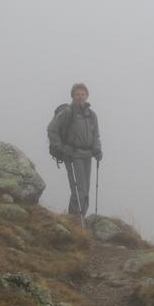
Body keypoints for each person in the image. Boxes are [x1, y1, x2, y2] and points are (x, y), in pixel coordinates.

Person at [47, 83, 102, 217]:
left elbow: (96, 135)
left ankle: (80, 218)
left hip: (88, 155)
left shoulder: (91, 114)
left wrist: (97, 149)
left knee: (86, 189)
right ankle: (75, 219)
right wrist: (62, 148)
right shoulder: (68, 112)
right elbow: (51, 129)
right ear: (72, 96)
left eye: (83, 94)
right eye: (77, 94)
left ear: (87, 95)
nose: (80, 97)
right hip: (73, 155)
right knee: (79, 189)